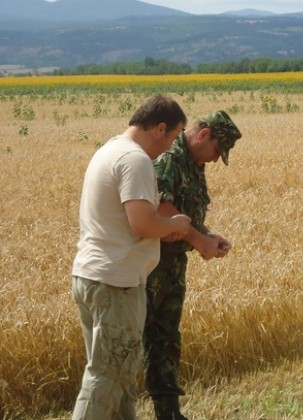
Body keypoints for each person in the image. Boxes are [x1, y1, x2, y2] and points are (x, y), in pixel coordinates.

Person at [71, 94, 192, 420]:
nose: (169, 149)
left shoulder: (108, 150)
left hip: (91, 276)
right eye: (172, 138)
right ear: (160, 128)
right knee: (107, 377)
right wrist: (174, 224)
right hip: (117, 283)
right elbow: (142, 222)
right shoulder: (135, 159)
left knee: (119, 377)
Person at [143, 110, 243, 420]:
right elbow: (163, 208)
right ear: (203, 135)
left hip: (173, 265)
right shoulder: (171, 157)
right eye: (216, 150)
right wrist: (200, 241)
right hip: (151, 265)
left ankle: (169, 413)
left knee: (166, 339)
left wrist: (209, 236)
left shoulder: (194, 163)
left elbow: (187, 217)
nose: (215, 160)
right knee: (134, 341)